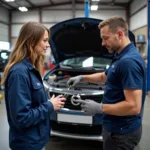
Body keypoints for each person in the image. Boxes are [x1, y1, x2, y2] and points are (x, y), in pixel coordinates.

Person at [67, 16, 146, 150]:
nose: (103, 43)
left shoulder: (128, 62)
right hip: (115, 128)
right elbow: (104, 76)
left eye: (105, 38)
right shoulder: (120, 56)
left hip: (121, 134)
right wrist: (82, 77)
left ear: (119, 34)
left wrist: (100, 108)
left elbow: (134, 106)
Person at [1, 22, 66, 150]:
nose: (48, 45)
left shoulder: (30, 69)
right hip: (27, 144)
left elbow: (31, 103)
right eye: (45, 41)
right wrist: (49, 105)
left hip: (36, 140)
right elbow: (22, 118)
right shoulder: (19, 73)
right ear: (31, 42)